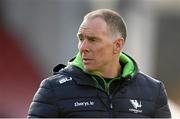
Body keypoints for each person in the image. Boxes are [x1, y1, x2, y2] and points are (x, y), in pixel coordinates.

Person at [28, 9, 171, 118]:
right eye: (81, 38)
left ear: (117, 45)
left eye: (93, 40)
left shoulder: (153, 91)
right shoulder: (53, 89)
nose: (83, 47)